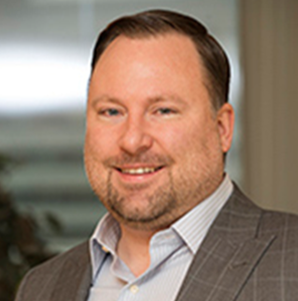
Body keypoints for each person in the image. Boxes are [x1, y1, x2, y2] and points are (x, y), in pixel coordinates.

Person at [15, 9, 298, 301]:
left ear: (222, 128)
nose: (133, 140)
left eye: (163, 111)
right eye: (112, 111)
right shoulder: (40, 287)